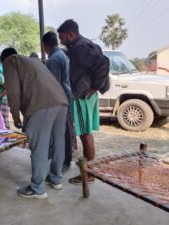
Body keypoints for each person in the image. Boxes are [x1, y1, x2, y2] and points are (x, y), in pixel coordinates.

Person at [0, 47, 68, 199]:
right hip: (61, 101)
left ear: (4, 59)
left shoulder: (10, 61)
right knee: (58, 141)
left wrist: (15, 114)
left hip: (42, 103)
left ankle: (38, 188)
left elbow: (13, 90)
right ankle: (55, 179)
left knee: (39, 145)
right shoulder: (33, 61)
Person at [57, 19, 110, 184]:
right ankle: (90, 170)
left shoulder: (79, 47)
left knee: (85, 135)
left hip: (82, 97)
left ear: (71, 34)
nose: (62, 42)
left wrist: (95, 86)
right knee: (87, 133)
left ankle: (89, 174)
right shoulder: (85, 44)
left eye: (63, 38)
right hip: (87, 95)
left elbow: (103, 63)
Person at [42, 31, 74, 172]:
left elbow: (53, 84)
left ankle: (64, 162)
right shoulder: (61, 54)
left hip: (60, 98)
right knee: (64, 130)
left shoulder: (54, 59)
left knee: (63, 131)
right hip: (65, 95)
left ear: (45, 45)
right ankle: (65, 159)